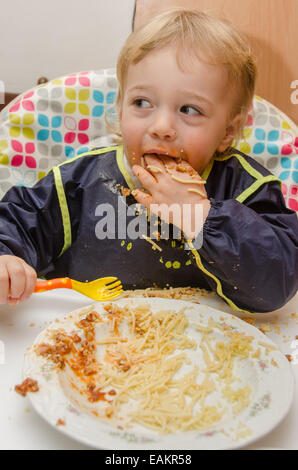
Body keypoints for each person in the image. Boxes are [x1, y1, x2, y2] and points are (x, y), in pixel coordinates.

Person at [0, 8, 297, 313]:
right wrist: (6, 258)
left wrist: (203, 217)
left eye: (189, 110)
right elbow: (17, 222)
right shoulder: (80, 181)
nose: (161, 127)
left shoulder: (246, 188)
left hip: (204, 347)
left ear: (227, 132)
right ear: (120, 109)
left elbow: (279, 281)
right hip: (89, 340)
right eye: (142, 103)